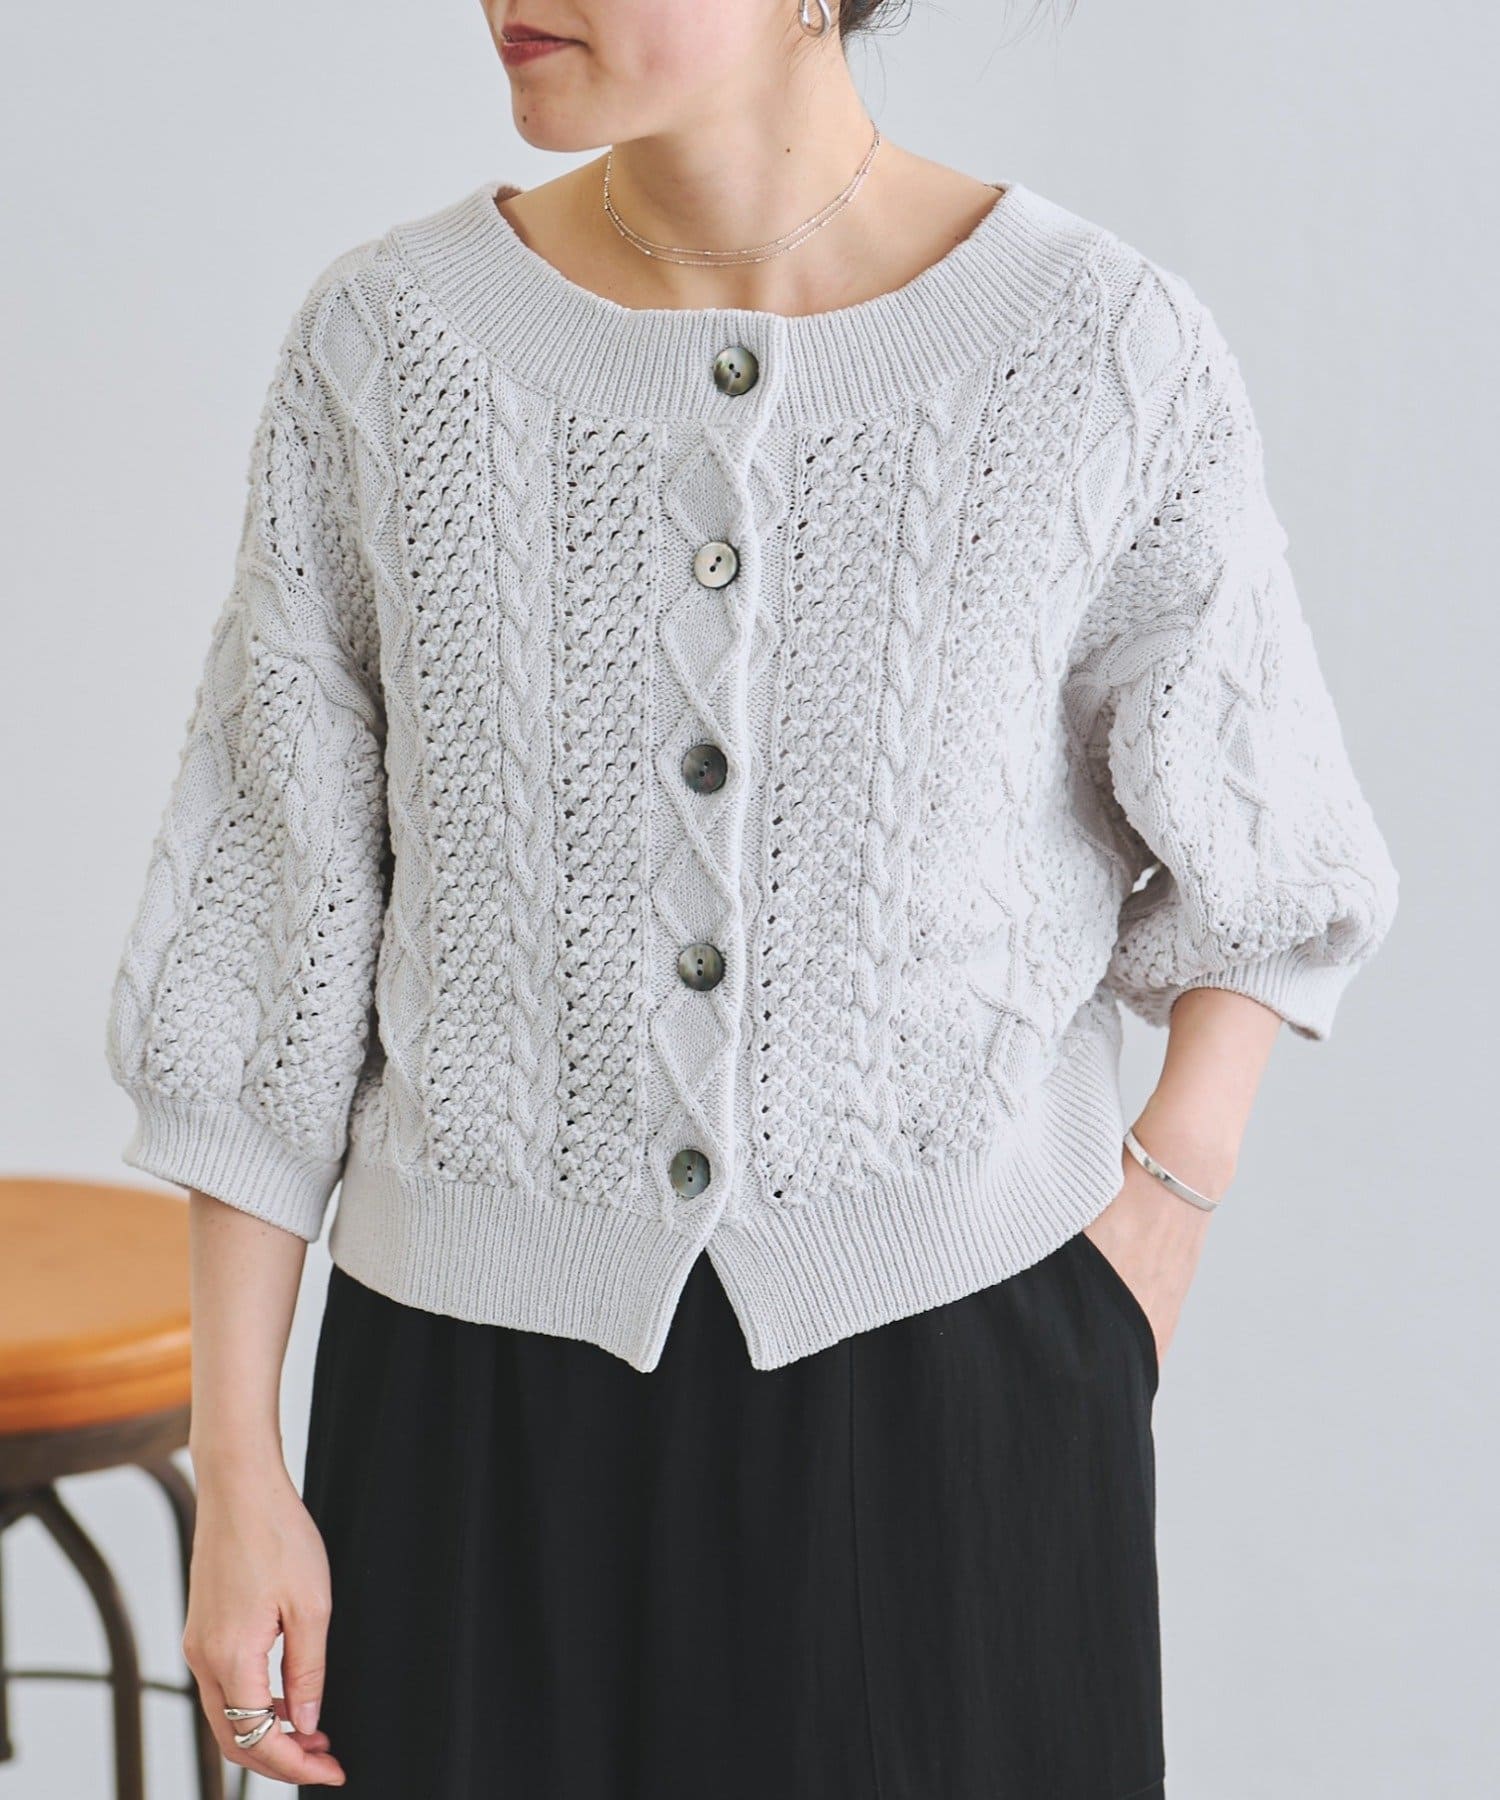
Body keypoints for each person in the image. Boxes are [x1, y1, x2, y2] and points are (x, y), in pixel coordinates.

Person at [103, 2, 1400, 1795]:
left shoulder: (1097, 349)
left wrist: (1162, 1210)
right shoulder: (387, 347)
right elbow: (272, 927)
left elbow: (1272, 855)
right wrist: (239, 1464)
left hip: (955, 1398)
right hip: (471, 1419)